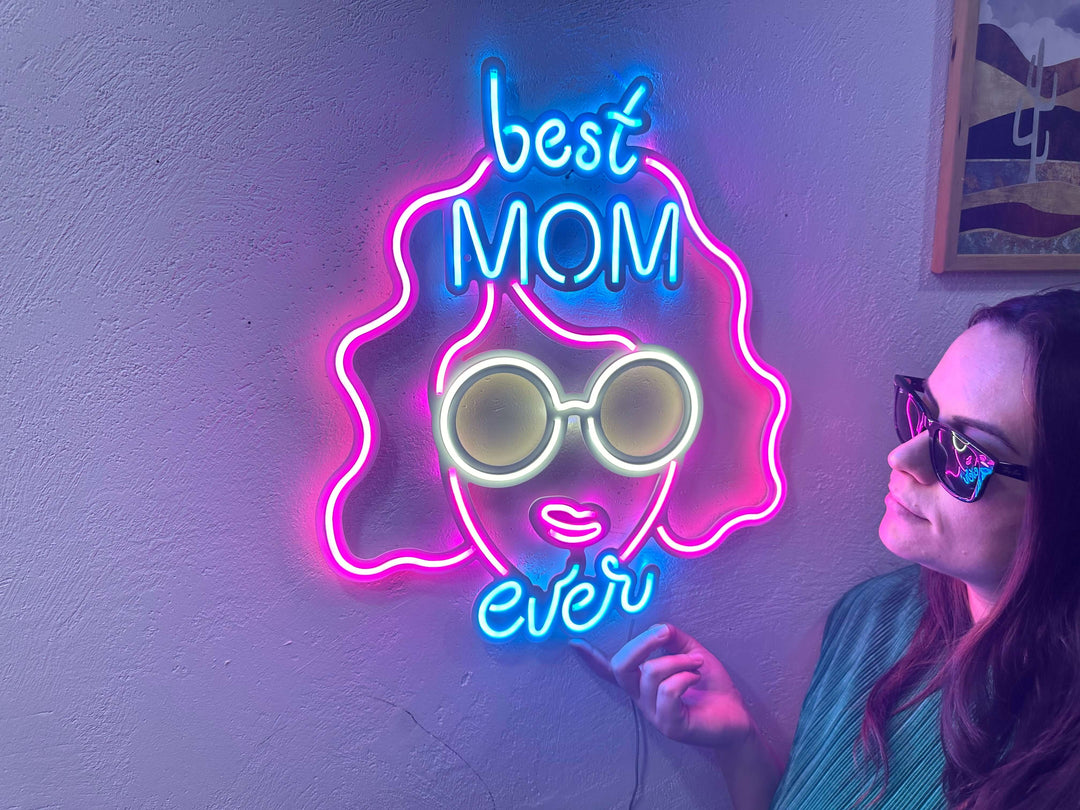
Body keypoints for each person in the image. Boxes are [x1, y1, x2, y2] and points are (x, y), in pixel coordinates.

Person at [571, 288, 1080, 809]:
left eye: (966, 455)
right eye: (921, 413)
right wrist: (738, 745)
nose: (903, 458)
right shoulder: (872, 617)